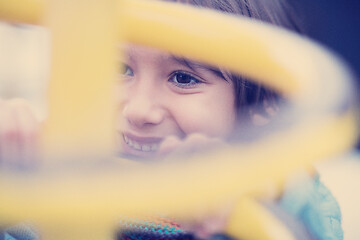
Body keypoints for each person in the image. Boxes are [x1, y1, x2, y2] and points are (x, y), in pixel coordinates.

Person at [0, 0, 344, 239]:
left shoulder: (276, 192)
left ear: (261, 104)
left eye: (183, 78)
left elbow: (306, 214)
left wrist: (259, 188)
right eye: (120, 68)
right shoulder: (48, 173)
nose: (138, 111)